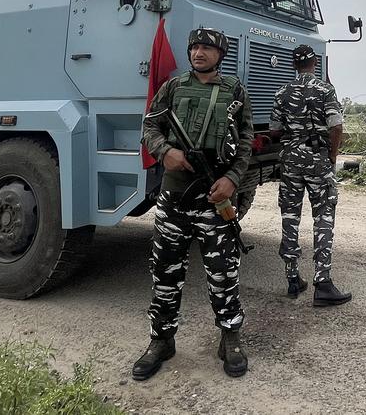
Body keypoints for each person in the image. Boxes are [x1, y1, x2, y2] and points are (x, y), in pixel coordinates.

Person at [132, 28, 254, 381]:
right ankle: (161, 340)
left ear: (220, 54)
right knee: (166, 271)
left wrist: (232, 178)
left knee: (223, 272)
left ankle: (230, 337)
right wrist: (165, 151)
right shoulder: (172, 87)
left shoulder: (235, 91)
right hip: (174, 197)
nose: (199, 52)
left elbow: (245, 140)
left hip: (215, 194)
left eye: (207, 48)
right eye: (194, 47)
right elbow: (149, 127)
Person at [269, 45, 351, 306]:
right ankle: (323, 282)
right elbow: (336, 125)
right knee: (323, 216)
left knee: (290, 216)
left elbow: (274, 130)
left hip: (290, 159)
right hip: (317, 159)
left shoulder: (282, 91)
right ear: (315, 62)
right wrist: (332, 155)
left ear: (293, 64)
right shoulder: (325, 89)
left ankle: (293, 278)